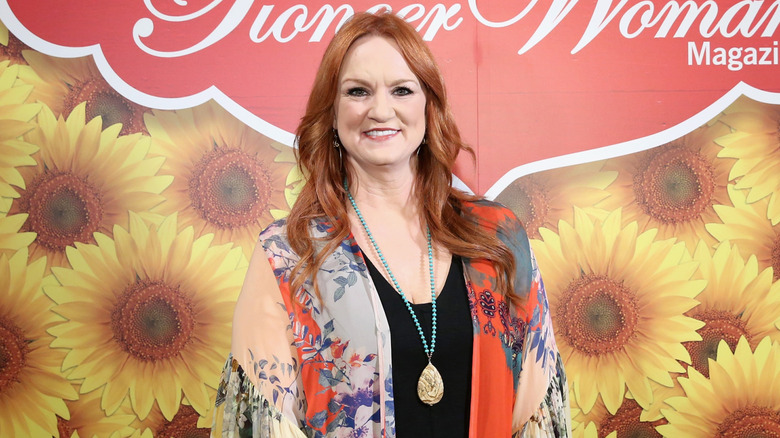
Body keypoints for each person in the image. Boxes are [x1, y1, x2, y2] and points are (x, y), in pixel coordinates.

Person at [213, 10, 570, 438]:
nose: (381, 110)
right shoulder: (288, 254)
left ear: (428, 105)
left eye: (402, 90)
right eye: (358, 91)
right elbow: (267, 425)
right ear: (331, 112)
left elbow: (535, 413)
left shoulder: (498, 236)